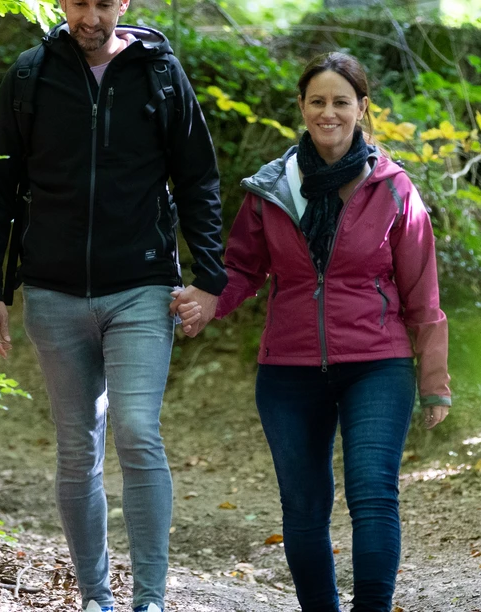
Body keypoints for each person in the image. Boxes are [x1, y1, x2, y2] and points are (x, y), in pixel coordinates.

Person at [0, 0, 225, 609]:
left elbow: (197, 178)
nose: (92, 16)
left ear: (124, 3)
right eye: (80, 2)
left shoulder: (160, 73)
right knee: (78, 446)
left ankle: (150, 599)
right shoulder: (30, 76)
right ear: (60, 3)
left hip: (141, 287)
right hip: (53, 294)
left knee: (137, 431)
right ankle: (95, 597)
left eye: (104, 3)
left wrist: (210, 280)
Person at [172, 52, 451, 612]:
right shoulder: (272, 188)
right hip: (288, 369)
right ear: (301, 108)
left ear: (362, 109)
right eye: (318, 101)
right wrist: (206, 303)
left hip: (378, 363)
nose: (329, 113)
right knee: (303, 506)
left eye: (341, 102)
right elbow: (243, 268)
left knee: (373, 495)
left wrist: (434, 379)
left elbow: (422, 291)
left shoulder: (395, 189)